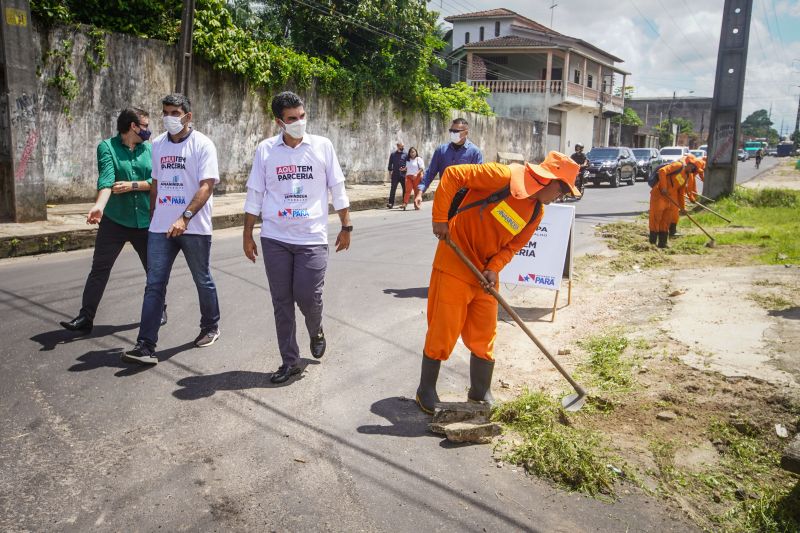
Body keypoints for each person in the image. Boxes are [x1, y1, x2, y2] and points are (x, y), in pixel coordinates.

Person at [415, 152, 581, 414]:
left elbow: (513, 246)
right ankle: (426, 390)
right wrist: (440, 219)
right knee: (444, 328)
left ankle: (480, 392)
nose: (560, 197)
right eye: (561, 189)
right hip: (455, 258)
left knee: (485, 331)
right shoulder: (503, 177)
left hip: (483, 274)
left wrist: (494, 268)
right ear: (548, 179)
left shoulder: (536, 211)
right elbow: (453, 175)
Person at [243, 91, 352, 384]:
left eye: (302, 116)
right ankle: (290, 361)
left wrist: (346, 225)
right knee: (282, 302)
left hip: (312, 238)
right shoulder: (266, 151)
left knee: (308, 296)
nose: (299, 122)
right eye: (292, 119)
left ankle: (315, 329)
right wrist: (247, 234)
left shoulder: (322, 146)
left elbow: (337, 189)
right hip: (275, 237)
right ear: (279, 121)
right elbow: (255, 194)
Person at [122, 93, 221, 365]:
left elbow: (207, 186)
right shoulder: (157, 144)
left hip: (194, 227)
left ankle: (210, 326)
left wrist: (185, 217)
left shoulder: (203, 145)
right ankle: (145, 346)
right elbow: (156, 182)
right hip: (160, 228)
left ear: (188, 116)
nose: (169, 117)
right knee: (154, 284)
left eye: (175, 113)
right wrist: (154, 214)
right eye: (165, 112)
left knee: (202, 278)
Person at [60, 108, 167, 334]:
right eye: (145, 126)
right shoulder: (107, 147)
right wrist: (99, 205)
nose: (149, 130)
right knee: (99, 269)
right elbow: (107, 179)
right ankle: (85, 318)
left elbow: (157, 180)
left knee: (153, 269)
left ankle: (159, 309)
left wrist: (133, 185)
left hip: (145, 221)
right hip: (115, 221)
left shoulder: (151, 149)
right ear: (132, 126)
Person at [417, 118, 483, 206]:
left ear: (466, 133)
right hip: (444, 196)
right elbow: (430, 172)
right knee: (440, 220)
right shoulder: (441, 150)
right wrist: (419, 193)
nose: (453, 133)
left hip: (464, 200)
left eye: (456, 131)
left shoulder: (475, 152)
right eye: (451, 130)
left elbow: (477, 177)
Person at [648, 154, 700, 248]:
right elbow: (662, 171)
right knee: (655, 218)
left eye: (694, 170)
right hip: (659, 195)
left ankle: (663, 243)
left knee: (666, 220)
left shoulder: (686, 177)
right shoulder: (678, 166)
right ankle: (652, 244)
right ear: (689, 164)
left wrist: (682, 208)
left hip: (670, 199)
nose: (692, 171)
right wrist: (663, 187)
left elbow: (681, 193)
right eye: (693, 168)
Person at [386, 142, 408, 209]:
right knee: (393, 189)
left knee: (405, 189)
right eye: (401, 146)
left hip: (403, 175)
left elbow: (409, 164)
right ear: (398, 146)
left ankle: (404, 203)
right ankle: (391, 203)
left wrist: (406, 169)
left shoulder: (406, 154)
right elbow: (390, 164)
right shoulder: (393, 154)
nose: (403, 148)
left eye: (403, 146)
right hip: (395, 174)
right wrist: (390, 173)